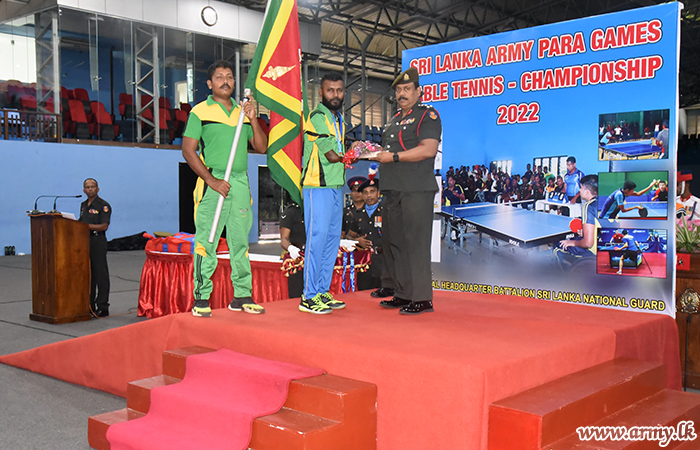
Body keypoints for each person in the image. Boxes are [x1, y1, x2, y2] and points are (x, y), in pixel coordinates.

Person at [181, 60, 268, 317]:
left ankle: (242, 295)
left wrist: (253, 120)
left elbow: (261, 147)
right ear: (210, 84)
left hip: (240, 181)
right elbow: (188, 150)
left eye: (229, 76)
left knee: (240, 242)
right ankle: (201, 297)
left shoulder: (243, 113)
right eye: (219, 77)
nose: (225, 81)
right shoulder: (200, 111)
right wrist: (211, 180)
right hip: (213, 181)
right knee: (206, 241)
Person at [370, 67, 442, 315]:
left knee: (416, 245)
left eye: (407, 89)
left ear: (418, 91)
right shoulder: (393, 121)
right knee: (396, 244)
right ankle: (403, 293)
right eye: (399, 90)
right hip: (393, 189)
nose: (402, 94)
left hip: (416, 189)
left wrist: (394, 157)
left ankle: (422, 298)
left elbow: (428, 149)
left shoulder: (427, 116)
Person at [299, 71, 349, 314]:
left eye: (339, 90)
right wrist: (354, 156)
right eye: (330, 90)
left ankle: (321, 291)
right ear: (321, 92)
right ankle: (308, 297)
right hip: (316, 187)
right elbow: (330, 155)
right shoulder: (317, 117)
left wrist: (351, 155)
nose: (335, 95)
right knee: (316, 239)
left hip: (336, 186)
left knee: (331, 241)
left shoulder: (339, 119)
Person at [348, 177, 391, 294]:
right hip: (364, 264)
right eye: (365, 193)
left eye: (372, 192)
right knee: (364, 295)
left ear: (378, 193)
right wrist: (357, 241)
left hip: (384, 262)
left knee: (384, 295)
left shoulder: (386, 212)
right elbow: (349, 237)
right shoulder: (358, 215)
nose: (369, 196)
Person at [79, 178, 111, 318]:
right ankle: (89, 305)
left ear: (98, 189)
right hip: (84, 242)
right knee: (88, 274)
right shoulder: (83, 205)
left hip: (97, 241)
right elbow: (81, 222)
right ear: (84, 190)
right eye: (87, 187)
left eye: (93, 186)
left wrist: (85, 227)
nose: (90, 189)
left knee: (100, 275)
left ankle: (103, 306)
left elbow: (104, 226)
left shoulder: (103, 205)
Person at [553, 175, 598, 268]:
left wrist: (572, 243)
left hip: (594, 254)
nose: (579, 190)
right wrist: (585, 233)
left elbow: (588, 243)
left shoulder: (588, 206)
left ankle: (572, 273)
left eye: (581, 188)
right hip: (606, 250)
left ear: (587, 191)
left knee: (559, 245)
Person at [280, 202, 305, 298]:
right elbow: (284, 239)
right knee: (297, 293)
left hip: (312, 255)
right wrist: (291, 249)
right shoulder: (291, 211)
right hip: (297, 258)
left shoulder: (314, 209)